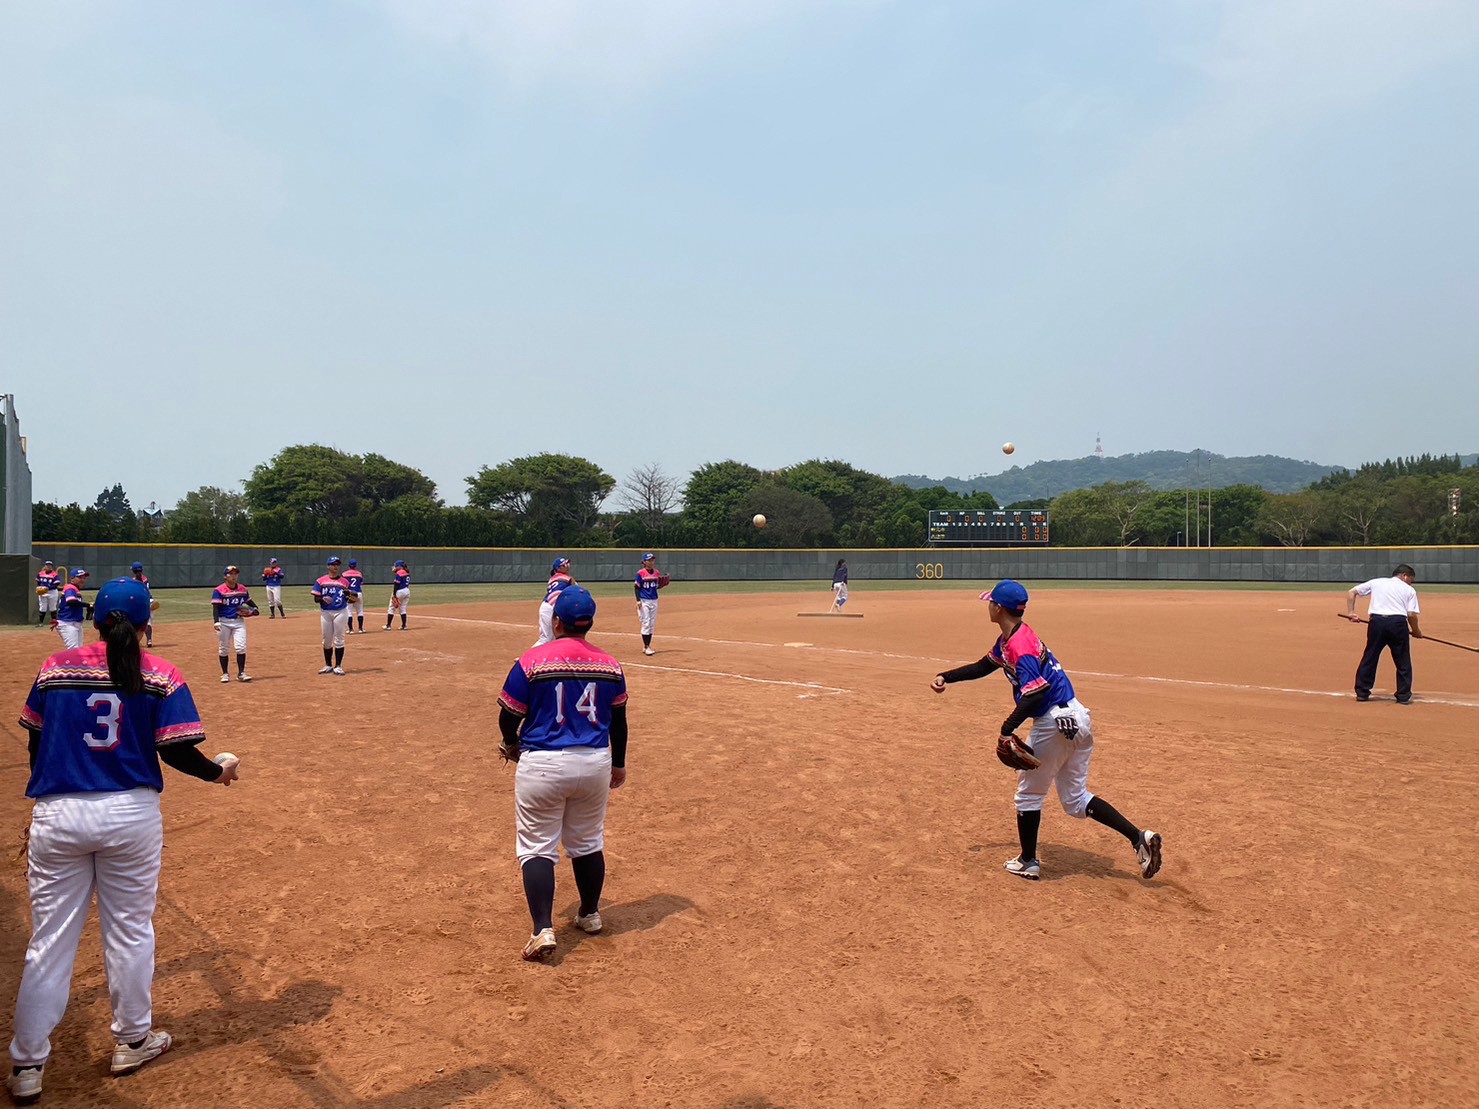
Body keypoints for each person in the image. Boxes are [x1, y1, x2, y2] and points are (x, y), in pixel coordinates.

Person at [7, 578, 240, 1105]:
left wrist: (48, 797)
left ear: (94, 621)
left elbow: (36, 738)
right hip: (129, 814)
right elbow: (177, 751)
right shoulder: (160, 673)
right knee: (130, 931)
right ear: (144, 624)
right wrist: (217, 773)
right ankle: (133, 1039)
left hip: (59, 812)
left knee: (48, 944)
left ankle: (27, 1064)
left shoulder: (54, 667)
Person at [929, 580, 1162, 883]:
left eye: (990, 602)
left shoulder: (1020, 646)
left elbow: (1036, 694)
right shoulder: (1011, 639)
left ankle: (1028, 861)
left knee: (1028, 795)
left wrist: (1007, 728)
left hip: (1053, 722)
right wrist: (945, 677)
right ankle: (1138, 838)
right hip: (1078, 718)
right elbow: (982, 667)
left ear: (998, 607)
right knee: (1075, 800)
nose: (987, 605)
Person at [498, 586, 629, 962]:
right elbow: (618, 722)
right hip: (593, 762)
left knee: (538, 845)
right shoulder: (610, 664)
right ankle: (589, 914)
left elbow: (509, 713)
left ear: (556, 622)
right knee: (587, 841)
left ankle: (542, 930)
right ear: (588, 623)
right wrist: (618, 763)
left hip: (542, 762)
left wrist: (511, 743)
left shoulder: (532, 660)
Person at [1346, 564, 1423, 703]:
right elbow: (1411, 615)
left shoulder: (1377, 582)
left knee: (1370, 656)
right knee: (1403, 660)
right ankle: (1403, 695)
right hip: (1398, 624)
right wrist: (1416, 631)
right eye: (1411, 579)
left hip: (1377, 623)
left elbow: (1352, 592)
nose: (1411, 582)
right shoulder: (1409, 590)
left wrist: (1351, 613)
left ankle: (1362, 692)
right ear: (1405, 575)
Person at [210, 565, 255, 684]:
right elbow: (216, 607)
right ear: (225, 576)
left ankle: (241, 673)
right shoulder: (219, 590)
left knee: (241, 647)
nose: (234, 576)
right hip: (223, 621)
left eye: (236, 573)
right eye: (231, 574)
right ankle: (225, 673)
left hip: (238, 622)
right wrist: (216, 621)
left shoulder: (242, 589)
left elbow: (251, 604)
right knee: (224, 648)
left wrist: (253, 611)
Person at [311, 558, 352, 675]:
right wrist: (323, 598)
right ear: (328, 566)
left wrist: (350, 596)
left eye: (337, 564)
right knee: (327, 640)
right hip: (326, 612)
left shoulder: (345, 582)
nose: (335, 567)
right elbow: (316, 598)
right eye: (333, 564)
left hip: (341, 611)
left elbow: (351, 598)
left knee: (339, 638)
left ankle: (338, 666)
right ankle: (328, 665)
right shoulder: (320, 581)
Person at [532, 558, 575, 647]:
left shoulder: (553, 578)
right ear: (558, 569)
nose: (567, 567)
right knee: (546, 639)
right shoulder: (568, 579)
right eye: (564, 565)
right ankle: (526, 659)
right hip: (550, 607)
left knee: (554, 639)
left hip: (548, 606)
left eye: (567, 565)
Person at [633, 553, 670, 656]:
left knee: (652, 624)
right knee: (646, 623)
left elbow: (655, 586)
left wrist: (662, 584)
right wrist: (638, 601)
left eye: (653, 560)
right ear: (644, 562)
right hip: (644, 601)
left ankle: (646, 646)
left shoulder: (656, 573)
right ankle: (647, 646)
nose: (651, 562)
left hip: (654, 600)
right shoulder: (640, 573)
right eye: (649, 560)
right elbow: (637, 587)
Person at [54, 570, 90, 651]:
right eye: (79, 577)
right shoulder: (70, 588)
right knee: (73, 651)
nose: (82, 579)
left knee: (78, 650)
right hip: (67, 623)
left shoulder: (75, 590)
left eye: (84, 577)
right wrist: (87, 605)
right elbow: (71, 602)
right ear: (72, 579)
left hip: (74, 622)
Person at [130, 562, 154, 649]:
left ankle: (135, 641)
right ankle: (149, 640)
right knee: (148, 622)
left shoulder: (133, 580)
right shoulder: (145, 579)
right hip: (149, 601)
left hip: (139, 602)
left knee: (136, 622)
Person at [383, 560, 410, 631]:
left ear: (399, 566)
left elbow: (396, 584)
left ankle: (388, 626)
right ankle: (404, 626)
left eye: (396, 566)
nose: (395, 567)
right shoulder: (406, 572)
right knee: (403, 608)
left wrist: (394, 594)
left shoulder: (399, 573)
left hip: (400, 591)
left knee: (391, 608)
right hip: (407, 591)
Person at [34, 561, 60, 628]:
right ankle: (41, 623)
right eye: (47, 565)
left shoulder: (54, 574)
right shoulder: (40, 573)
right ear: (45, 566)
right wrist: (38, 588)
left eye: (50, 565)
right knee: (42, 607)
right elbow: (38, 582)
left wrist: (47, 588)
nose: (48, 566)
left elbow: (56, 584)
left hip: (52, 592)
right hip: (43, 592)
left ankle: (54, 623)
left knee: (52, 607)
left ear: (52, 567)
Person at [343, 559, 365, 633]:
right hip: (358, 593)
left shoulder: (344, 574)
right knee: (360, 611)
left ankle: (351, 630)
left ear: (349, 565)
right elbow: (361, 582)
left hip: (350, 593)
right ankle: (361, 629)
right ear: (355, 566)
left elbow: (343, 585)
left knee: (349, 611)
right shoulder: (359, 574)